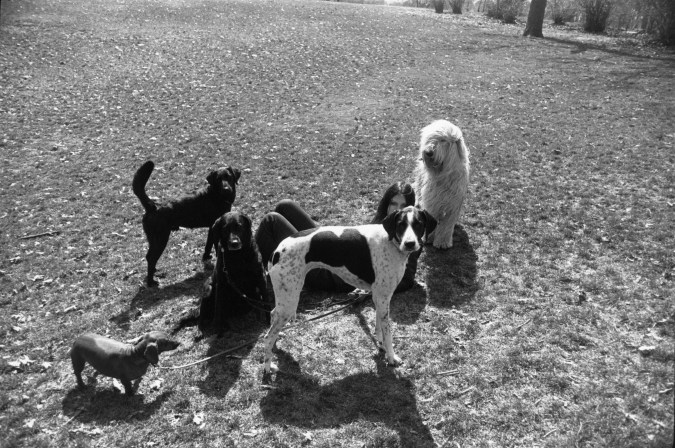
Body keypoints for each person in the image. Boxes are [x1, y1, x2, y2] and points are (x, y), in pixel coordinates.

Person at [254, 181, 420, 293]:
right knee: (285, 206)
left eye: (404, 206)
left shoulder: (408, 238)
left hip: (330, 273)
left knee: (272, 221)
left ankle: (259, 274)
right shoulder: (383, 223)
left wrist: (369, 289)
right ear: (386, 203)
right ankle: (274, 266)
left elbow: (405, 280)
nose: (398, 210)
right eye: (393, 204)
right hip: (335, 248)